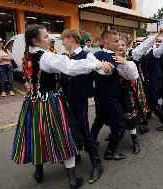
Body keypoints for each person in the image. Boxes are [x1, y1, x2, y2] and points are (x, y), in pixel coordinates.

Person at [11, 24, 113, 189]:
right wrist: (97, 65)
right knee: (63, 134)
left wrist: (101, 67)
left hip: (44, 102)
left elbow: (33, 75)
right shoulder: (48, 56)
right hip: (53, 102)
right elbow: (69, 67)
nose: (50, 39)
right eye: (45, 37)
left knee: (42, 134)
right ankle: (72, 175)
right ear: (36, 40)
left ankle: (95, 164)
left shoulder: (29, 56)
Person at [60, 29, 103, 184]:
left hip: (79, 100)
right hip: (66, 99)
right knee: (69, 129)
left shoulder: (87, 55)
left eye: (63, 39)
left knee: (84, 130)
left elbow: (97, 67)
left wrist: (101, 65)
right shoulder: (65, 57)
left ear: (71, 39)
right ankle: (75, 155)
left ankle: (97, 164)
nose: (61, 42)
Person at [90, 30, 139, 161]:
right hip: (111, 97)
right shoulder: (113, 58)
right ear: (106, 42)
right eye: (116, 41)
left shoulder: (94, 55)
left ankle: (90, 143)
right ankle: (110, 151)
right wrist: (125, 63)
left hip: (99, 96)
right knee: (119, 125)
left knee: (98, 120)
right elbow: (132, 76)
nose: (118, 44)